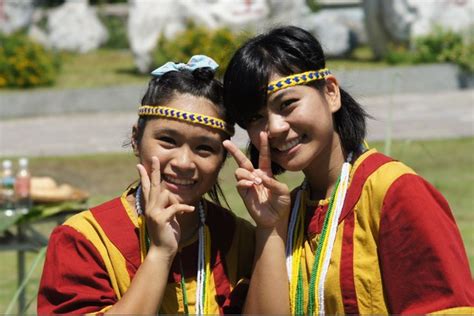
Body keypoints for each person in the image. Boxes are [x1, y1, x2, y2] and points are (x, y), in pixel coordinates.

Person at [222, 26, 474, 315]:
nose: (275, 127)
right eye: (256, 118)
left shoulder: (395, 192)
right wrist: (269, 229)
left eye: (287, 104)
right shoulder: (285, 214)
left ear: (330, 93)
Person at [37, 55, 255, 314]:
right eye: (168, 140)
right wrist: (161, 253)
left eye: (205, 148)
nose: (184, 162)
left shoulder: (238, 239)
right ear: (136, 139)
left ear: (223, 159)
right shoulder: (85, 239)